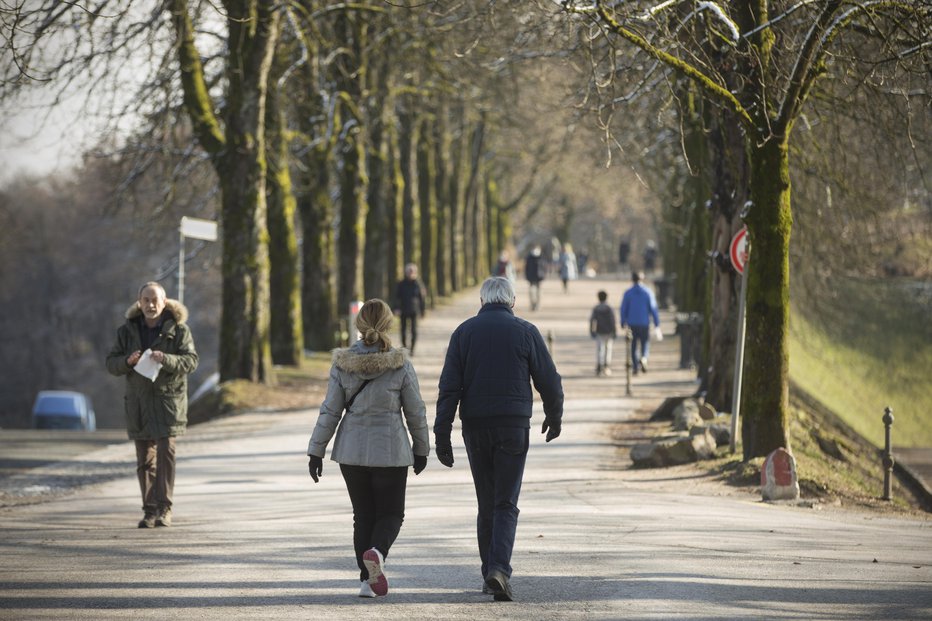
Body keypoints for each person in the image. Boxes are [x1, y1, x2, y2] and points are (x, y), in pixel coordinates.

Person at [434, 277, 564, 602]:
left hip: (475, 426)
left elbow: (449, 388)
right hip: (513, 426)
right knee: (506, 501)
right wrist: (554, 415)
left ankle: (488, 572)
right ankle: (499, 569)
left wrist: (442, 434)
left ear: (481, 301)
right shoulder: (526, 331)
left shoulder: (463, 333)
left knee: (486, 502)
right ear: (512, 301)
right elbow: (549, 379)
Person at [307, 299, 429, 598]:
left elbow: (330, 411)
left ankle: (366, 581)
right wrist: (422, 448)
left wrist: (316, 451)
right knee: (391, 514)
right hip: (390, 452)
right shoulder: (401, 364)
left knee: (362, 515)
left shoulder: (342, 363)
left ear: (359, 325)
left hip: (352, 452)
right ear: (390, 324)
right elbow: (415, 411)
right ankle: (377, 552)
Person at [106, 281, 198, 529]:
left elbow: (191, 362)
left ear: (164, 301)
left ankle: (164, 509)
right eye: (146, 300)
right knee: (145, 460)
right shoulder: (126, 331)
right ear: (139, 302)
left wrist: (165, 358)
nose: (150, 304)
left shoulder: (179, 330)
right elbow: (111, 364)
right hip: (138, 403)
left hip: (168, 403)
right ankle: (149, 511)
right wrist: (127, 361)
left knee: (166, 455)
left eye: (155, 299)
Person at [620, 271, 660, 375]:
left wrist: (622, 320)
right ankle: (644, 358)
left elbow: (623, 308)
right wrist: (657, 323)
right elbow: (653, 309)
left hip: (632, 323)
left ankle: (635, 367)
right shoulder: (648, 292)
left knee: (633, 346)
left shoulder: (628, 293)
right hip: (644, 322)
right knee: (645, 343)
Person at [392, 263, 426, 355]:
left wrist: (423, 310)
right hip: (403, 310)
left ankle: (412, 349)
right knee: (402, 330)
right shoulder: (401, 283)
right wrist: (396, 308)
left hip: (414, 310)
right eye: (409, 271)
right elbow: (396, 297)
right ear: (405, 272)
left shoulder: (418, 284)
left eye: (412, 271)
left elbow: (422, 298)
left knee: (414, 330)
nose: (410, 273)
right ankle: (404, 347)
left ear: (415, 272)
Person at [590, 290, 618, 376]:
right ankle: (606, 366)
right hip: (608, 331)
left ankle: (599, 365)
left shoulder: (596, 308)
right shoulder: (609, 308)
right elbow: (613, 320)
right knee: (608, 349)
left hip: (599, 331)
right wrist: (614, 330)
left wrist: (592, 330)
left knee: (599, 349)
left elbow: (592, 320)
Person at [523, 245, 545, 311]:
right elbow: (526, 268)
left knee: (539, 292)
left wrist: (543, 275)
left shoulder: (541, 256)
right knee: (531, 292)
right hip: (531, 277)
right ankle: (532, 304)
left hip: (539, 277)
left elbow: (543, 267)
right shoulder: (529, 257)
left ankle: (537, 305)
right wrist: (527, 276)